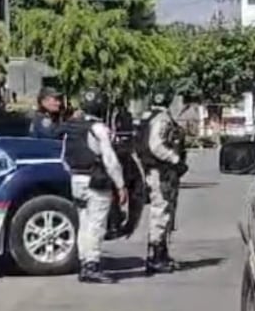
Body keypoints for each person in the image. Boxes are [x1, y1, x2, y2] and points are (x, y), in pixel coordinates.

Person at [59, 89, 128, 284]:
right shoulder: (99, 129)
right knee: (97, 224)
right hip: (96, 181)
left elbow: (63, 157)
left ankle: (84, 262)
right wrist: (120, 185)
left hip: (76, 180)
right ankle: (92, 265)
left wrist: (74, 173)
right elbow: (110, 159)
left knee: (83, 223)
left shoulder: (71, 127)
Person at [136, 89, 188, 275]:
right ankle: (156, 256)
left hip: (153, 170)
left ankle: (161, 254)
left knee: (162, 211)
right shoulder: (162, 118)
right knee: (161, 212)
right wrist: (175, 160)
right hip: (161, 171)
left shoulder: (148, 115)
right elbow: (156, 145)